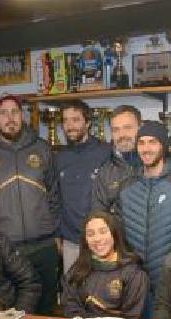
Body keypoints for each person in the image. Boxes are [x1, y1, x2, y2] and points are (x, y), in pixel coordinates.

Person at [0, 94, 61, 315]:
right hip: (6, 249)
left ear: (23, 115)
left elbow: (55, 195)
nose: (10, 118)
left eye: (14, 112)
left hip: (44, 246)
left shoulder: (42, 148)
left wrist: (56, 234)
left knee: (47, 311)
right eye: (3, 113)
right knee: (14, 315)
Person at [115, 120, 171, 319]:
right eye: (141, 142)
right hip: (134, 285)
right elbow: (118, 235)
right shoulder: (127, 186)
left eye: (152, 142)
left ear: (163, 146)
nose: (146, 148)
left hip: (170, 284)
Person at [55, 100, 113, 273]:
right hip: (71, 242)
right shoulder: (59, 158)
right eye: (65, 120)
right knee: (73, 294)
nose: (70, 125)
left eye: (75, 119)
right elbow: (55, 199)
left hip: (102, 241)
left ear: (87, 122)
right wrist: (58, 235)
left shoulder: (105, 152)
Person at [61, 211, 148, 319]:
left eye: (103, 232)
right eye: (91, 234)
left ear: (114, 234)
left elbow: (133, 318)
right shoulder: (78, 269)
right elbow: (70, 307)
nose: (97, 239)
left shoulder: (133, 273)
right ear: (85, 240)